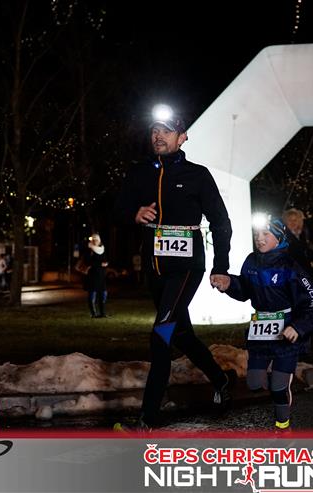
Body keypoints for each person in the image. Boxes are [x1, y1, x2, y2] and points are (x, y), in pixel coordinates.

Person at [112, 105, 233, 429]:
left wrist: (221, 266)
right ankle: (221, 379)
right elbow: (118, 209)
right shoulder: (139, 173)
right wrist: (134, 213)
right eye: (154, 130)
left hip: (186, 268)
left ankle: (147, 419)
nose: (158, 136)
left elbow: (221, 222)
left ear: (182, 137)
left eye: (166, 131)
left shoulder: (197, 175)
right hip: (155, 270)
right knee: (182, 333)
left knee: (161, 334)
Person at [212, 217, 313, 432]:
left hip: (286, 336)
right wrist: (229, 283)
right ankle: (275, 387)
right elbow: (244, 289)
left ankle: (283, 427)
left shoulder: (290, 266)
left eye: (266, 234)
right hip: (260, 335)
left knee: (278, 387)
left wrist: (298, 327)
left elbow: (312, 303)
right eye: (257, 234)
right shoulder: (251, 261)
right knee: (254, 383)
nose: (259, 238)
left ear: (278, 238)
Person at [282, 208, 313, 291]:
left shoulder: (302, 235)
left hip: (306, 273)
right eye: (290, 220)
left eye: (295, 220)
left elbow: (307, 250)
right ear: (286, 222)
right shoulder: (284, 237)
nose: (293, 222)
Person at [84, 233, 109, 318]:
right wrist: (99, 264)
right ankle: (93, 313)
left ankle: (102, 313)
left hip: (101, 275)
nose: (95, 241)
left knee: (103, 294)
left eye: (97, 240)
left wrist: (106, 263)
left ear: (99, 240)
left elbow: (105, 259)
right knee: (92, 295)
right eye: (94, 240)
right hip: (93, 275)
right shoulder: (90, 249)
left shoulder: (102, 249)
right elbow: (88, 262)